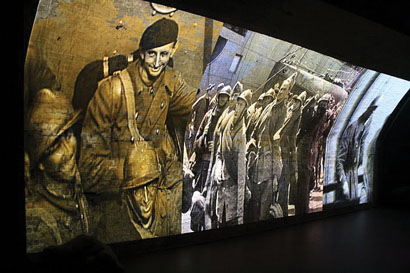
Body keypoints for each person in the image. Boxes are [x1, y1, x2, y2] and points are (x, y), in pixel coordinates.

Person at [79, 18, 196, 242]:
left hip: (156, 202)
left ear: (174, 49)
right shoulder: (113, 91)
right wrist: (133, 169)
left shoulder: (170, 83)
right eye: (151, 54)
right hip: (120, 201)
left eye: (164, 54)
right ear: (141, 53)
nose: (156, 63)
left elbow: (194, 103)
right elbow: (88, 169)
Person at [25, 88, 89, 253]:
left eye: (68, 135)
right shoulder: (37, 221)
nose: (68, 151)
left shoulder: (76, 191)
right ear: (41, 163)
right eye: (55, 147)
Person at [248, 73, 297, 221]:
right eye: (281, 88)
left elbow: (277, 142)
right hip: (257, 159)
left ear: (288, 92)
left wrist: (276, 174)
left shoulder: (283, 111)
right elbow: (256, 129)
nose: (281, 91)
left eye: (284, 90)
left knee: (264, 206)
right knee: (254, 203)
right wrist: (252, 141)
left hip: (269, 165)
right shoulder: (269, 106)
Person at [206, 89, 252, 228]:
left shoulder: (242, 134)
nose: (237, 107)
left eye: (241, 105)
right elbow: (219, 154)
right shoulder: (227, 124)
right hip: (221, 188)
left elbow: (241, 173)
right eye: (237, 103)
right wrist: (218, 170)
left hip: (232, 192)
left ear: (245, 109)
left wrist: (240, 212)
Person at [188, 86, 231, 231]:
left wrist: (218, 146)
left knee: (213, 199)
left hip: (218, 163)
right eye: (220, 96)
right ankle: (197, 225)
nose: (222, 99)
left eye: (225, 97)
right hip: (205, 161)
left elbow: (229, 141)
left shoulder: (228, 117)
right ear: (217, 98)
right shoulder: (208, 115)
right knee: (199, 196)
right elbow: (198, 136)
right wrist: (205, 143)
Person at [335, 97, 378, 203]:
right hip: (347, 175)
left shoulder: (365, 128)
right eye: (372, 110)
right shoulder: (353, 128)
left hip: (353, 174)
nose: (372, 114)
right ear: (368, 109)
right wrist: (343, 181)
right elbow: (339, 159)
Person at [275, 91, 306, 216]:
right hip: (279, 147)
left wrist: (292, 150)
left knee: (284, 179)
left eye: (297, 102)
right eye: (294, 101)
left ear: (300, 104)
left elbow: (292, 135)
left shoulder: (297, 115)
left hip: (285, 149)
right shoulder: (289, 111)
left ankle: (282, 207)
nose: (295, 103)